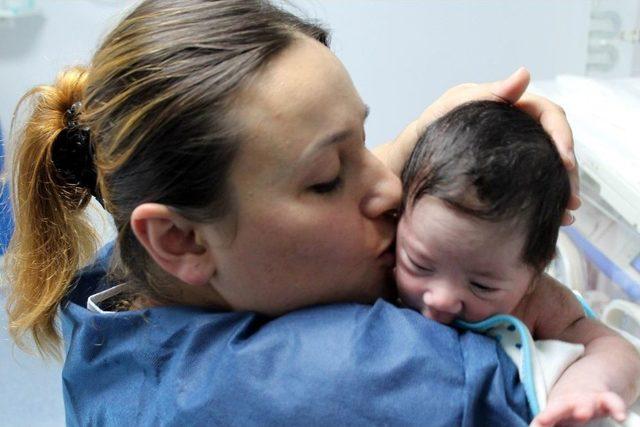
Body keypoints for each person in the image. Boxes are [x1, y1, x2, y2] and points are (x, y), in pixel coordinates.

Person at [5, 0, 578, 425]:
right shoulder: (357, 378)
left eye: (364, 138)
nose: (390, 188)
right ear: (179, 239)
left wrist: (419, 141)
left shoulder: (122, 290)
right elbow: (569, 381)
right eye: (329, 179)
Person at [395, 100, 640, 426]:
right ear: (397, 218)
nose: (441, 298)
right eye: (419, 264)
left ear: (536, 272)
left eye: (481, 285)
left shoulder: (540, 301)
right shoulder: (373, 257)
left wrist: (586, 386)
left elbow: (613, 347)